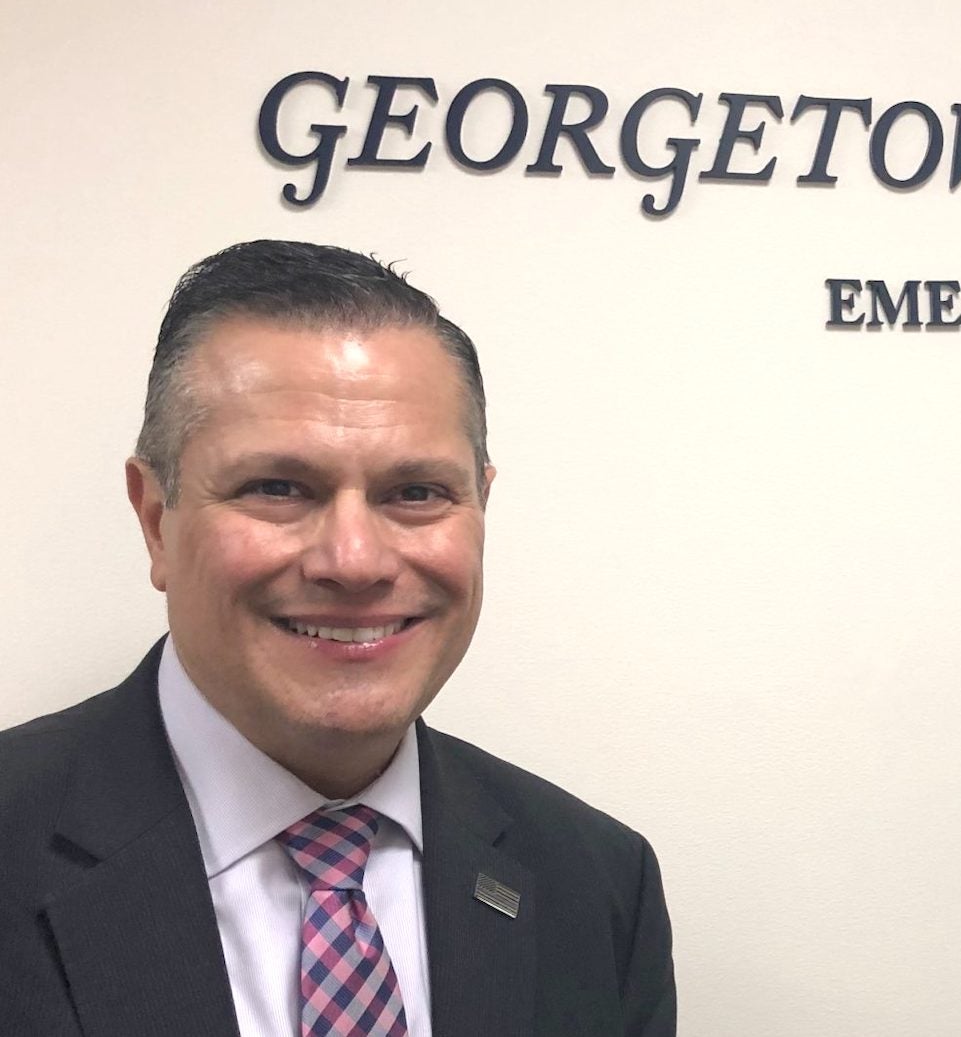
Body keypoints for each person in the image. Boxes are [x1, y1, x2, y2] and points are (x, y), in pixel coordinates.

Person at [0, 240, 676, 1036]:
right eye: (278, 487)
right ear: (156, 520)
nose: (354, 560)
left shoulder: (596, 884)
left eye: (416, 492)